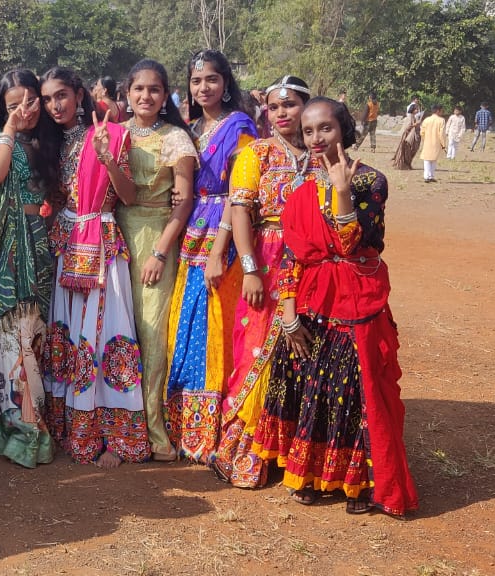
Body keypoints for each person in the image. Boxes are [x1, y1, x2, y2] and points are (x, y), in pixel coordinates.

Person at [268, 96, 418, 516]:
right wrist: (288, 313)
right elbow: (292, 256)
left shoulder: (371, 182)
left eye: (326, 128)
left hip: (355, 301)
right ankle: (310, 475)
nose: (316, 138)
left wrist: (341, 191)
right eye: (309, 131)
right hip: (311, 301)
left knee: (353, 393)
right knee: (312, 391)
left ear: (344, 129)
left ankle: (358, 483)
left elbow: (351, 245)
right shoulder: (300, 190)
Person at [39, 66, 146, 468]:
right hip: (67, 241)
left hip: (101, 240)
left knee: (104, 333)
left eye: (62, 95)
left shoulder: (110, 134)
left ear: (79, 95)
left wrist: (107, 160)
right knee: (68, 332)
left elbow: (129, 196)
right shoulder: (51, 142)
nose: (55, 105)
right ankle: (71, 427)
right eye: (48, 99)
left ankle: (113, 435)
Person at [212, 75, 312, 488]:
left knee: (305, 349)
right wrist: (250, 268)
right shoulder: (257, 153)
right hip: (267, 258)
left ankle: (297, 450)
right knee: (256, 348)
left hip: (314, 264)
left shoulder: (322, 154)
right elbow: (239, 212)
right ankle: (248, 448)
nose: (282, 113)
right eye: (274, 107)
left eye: (290, 104)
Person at [166, 49, 256, 463]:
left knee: (215, 321)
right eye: (196, 80)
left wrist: (220, 249)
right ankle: (185, 426)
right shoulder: (189, 129)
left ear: (226, 83)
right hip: (191, 232)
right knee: (187, 321)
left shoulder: (240, 126)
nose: (204, 87)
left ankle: (215, 429)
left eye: (212, 80)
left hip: (225, 229)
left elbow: (240, 193)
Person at [0, 69, 61, 469]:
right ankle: (22, 428)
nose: (24, 110)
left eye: (30, 102)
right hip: (3, 243)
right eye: (14, 105)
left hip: (39, 240)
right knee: (11, 332)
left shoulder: (47, 140)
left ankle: (23, 420)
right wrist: (8, 127)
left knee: (34, 330)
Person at [116, 59, 196, 463]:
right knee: (120, 328)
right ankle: (120, 424)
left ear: (165, 96)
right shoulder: (116, 134)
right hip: (116, 236)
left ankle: (153, 428)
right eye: (139, 89)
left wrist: (161, 251)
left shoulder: (176, 139)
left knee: (151, 334)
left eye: (154, 89)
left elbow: (183, 203)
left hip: (156, 236)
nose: (146, 96)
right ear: (127, 93)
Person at [390, 101, 421, 170]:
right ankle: (405, 165)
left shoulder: (413, 116)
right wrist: (415, 124)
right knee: (407, 151)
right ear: (413, 110)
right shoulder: (409, 117)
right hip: (407, 136)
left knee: (410, 150)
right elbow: (408, 127)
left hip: (410, 136)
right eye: (416, 109)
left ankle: (407, 164)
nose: (417, 110)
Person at [420, 104, 446, 183]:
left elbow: (422, 132)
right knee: (434, 160)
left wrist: (425, 139)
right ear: (438, 111)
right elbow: (441, 134)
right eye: (441, 111)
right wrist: (443, 144)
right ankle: (430, 176)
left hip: (427, 142)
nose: (442, 112)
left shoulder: (426, 120)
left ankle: (427, 176)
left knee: (427, 159)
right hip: (436, 142)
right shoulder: (441, 120)